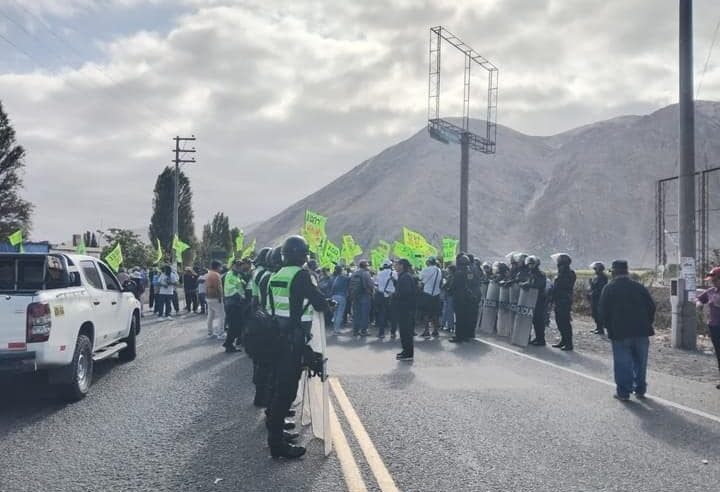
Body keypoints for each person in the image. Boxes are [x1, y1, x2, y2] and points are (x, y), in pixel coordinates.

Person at [265, 236, 328, 459]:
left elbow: (270, 307)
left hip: (275, 337)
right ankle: (277, 445)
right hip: (292, 341)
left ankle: (277, 434)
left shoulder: (276, 275)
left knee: (277, 389)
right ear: (302, 255)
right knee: (286, 392)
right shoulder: (300, 276)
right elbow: (319, 302)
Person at [598, 260, 655, 401]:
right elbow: (651, 307)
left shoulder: (609, 288)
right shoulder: (638, 287)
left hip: (620, 332)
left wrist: (608, 327)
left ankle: (623, 393)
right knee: (640, 362)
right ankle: (640, 390)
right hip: (641, 331)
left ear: (614, 272)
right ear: (627, 271)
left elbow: (602, 311)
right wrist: (647, 323)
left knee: (623, 363)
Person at [696, 266, 720, 390]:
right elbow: (700, 298)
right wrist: (699, 304)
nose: (713, 282)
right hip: (714, 327)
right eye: (712, 280)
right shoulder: (711, 291)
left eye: (715, 280)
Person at [223, 259, 251, 353]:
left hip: (236, 303)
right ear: (232, 266)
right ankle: (228, 344)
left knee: (237, 325)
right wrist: (241, 296)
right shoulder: (230, 275)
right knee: (234, 325)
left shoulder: (237, 275)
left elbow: (241, 283)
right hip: (232, 303)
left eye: (240, 265)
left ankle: (230, 343)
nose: (239, 267)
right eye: (237, 265)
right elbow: (232, 290)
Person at [448, 253, 477, 343]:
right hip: (468, 298)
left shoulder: (458, 273)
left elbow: (453, 286)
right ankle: (465, 335)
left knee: (459, 318)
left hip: (459, 298)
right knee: (466, 317)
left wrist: (449, 290)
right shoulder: (470, 272)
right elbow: (472, 284)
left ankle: (459, 336)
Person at [551, 253, 576, 351]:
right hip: (559, 299)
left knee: (565, 322)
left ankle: (569, 343)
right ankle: (563, 340)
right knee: (559, 321)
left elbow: (563, 286)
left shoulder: (569, 273)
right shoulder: (561, 272)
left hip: (564, 300)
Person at [393, 258, 416, 361]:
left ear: (402, 266)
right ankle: (405, 351)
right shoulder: (403, 276)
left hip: (406, 308)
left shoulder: (405, 277)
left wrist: (395, 295)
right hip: (404, 308)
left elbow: (406, 293)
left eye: (397, 264)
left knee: (406, 331)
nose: (395, 266)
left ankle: (408, 353)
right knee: (403, 331)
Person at [524, 256, 549, 346]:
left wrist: (529, 285)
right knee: (534, 319)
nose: (530, 266)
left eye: (532, 264)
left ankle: (541, 339)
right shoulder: (531, 273)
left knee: (539, 320)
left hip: (539, 299)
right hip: (532, 298)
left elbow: (539, 285)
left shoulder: (540, 274)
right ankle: (537, 338)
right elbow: (529, 282)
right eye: (529, 264)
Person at [419, 257, 443, 339]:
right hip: (436, 294)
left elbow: (420, 278)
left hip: (427, 294)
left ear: (428, 262)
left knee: (426, 313)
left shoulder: (426, 270)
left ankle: (426, 331)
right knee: (435, 313)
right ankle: (435, 331)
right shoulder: (439, 270)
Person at [349, 260, 374, 336]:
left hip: (355, 295)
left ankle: (355, 331)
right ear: (365, 266)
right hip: (364, 295)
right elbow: (370, 284)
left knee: (356, 314)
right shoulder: (366, 273)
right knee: (364, 314)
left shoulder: (354, 273)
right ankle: (364, 331)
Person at [374, 259, 397, 338]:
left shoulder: (379, 273)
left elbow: (376, 284)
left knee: (382, 315)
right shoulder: (393, 273)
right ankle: (393, 333)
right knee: (393, 315)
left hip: (381, 295)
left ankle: (381, 333)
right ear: (390, 266)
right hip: (391, 296)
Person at [205, 260, 225, 338]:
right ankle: (220, 334)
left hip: (208, 297)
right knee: (222, 316)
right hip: (216, 297)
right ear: (217, 267)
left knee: (210, 316)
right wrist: (220, 297)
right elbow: (218, 287)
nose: (221, 269)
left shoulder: (208, 274)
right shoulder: (216, 275)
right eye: (220, 267)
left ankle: (210, 333)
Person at [588, 261, 609, 335]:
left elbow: (600, 288)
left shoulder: (602, 277)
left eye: (595, 269)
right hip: (595, 297)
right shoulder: (597, 277)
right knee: (594, 313)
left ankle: (600, 329)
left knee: (598, 313)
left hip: (599, 298)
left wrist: (592, 287)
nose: (594, 270)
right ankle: (598, 327)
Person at [330, 265, 350, 335]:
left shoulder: (333, 278)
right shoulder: (344, 278)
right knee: (339, 314)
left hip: (334, 297)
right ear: (341, 270)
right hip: (341, 297)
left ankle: (335, 329)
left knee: (335, 314)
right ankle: (336, 330)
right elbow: (350, 280)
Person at [441, 264, 456, 333]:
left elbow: (450, 287)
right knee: (446, 311)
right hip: (449, 295)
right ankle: (445, 325)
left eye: (448, 269)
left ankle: (450, 326)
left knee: (449, 311)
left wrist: (445, 287)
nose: (447, 270)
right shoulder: (450, 276)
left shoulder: (453, 277)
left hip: (450, 295)